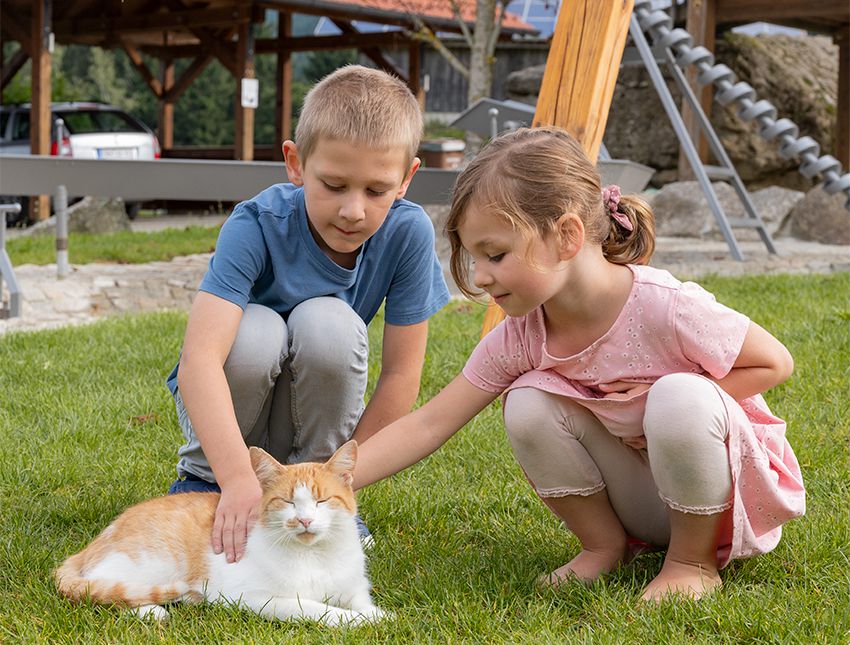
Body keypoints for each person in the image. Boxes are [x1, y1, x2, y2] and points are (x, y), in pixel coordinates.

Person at [353, 126, 805, 601]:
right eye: (474, 257)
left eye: (496, 254)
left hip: (717, 505)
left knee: (680, 396)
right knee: (527, 401)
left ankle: (691, 563)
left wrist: (654, 404)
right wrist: (323, 479)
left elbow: (774, 363)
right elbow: (429, 424)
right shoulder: (522, 334)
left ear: (567, 235)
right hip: (641, 501)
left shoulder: (664, 305)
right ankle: (603, 547)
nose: (481, 276)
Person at [165, 65, 450, 564]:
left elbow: (403, 376)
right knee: (257, 329)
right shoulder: (255, 224)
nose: (353, 211)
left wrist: (337, 484)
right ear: (295, 164)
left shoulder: (408, 233)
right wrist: (234, 479)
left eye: (376, 191)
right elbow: (199, 363)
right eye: (334, 185)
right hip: (235, 429)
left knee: (329, 322)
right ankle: (200, 481)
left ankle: (312, 497)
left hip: (318, 440)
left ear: (407, 179)